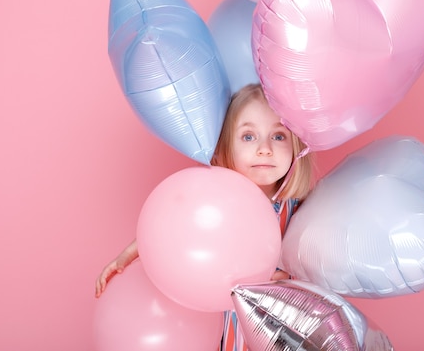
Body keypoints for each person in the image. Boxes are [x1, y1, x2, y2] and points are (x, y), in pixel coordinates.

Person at [94, 83, 316, 350]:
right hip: (228, 328)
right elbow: (171, 231)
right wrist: (127, 255)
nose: (265, 148)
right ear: (224, 147)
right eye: (248, 137)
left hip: (280, 331)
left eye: (278, 136)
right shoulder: (214, 199)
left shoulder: (299, 207)